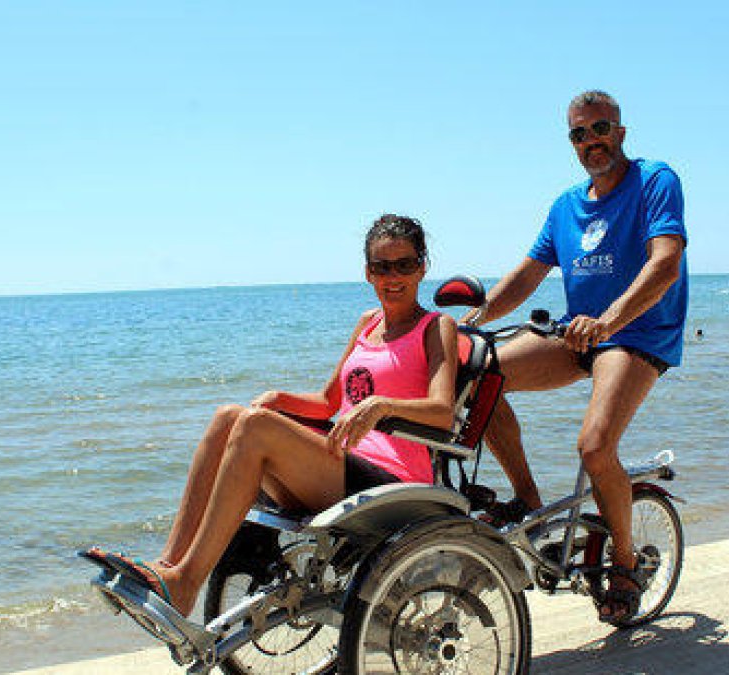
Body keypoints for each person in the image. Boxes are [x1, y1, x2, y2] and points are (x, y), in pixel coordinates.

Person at [84, 214, 460, 619]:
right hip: (341, 465)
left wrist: (383, 404)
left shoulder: (436, 327)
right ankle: (169, 568)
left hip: (392, 482)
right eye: (382, 267)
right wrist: (280, 398)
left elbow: (442, 412)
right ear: (368, 273)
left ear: (423, 266)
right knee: (229, 415)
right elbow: (329, 402)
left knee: (254, 428)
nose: (393, 276)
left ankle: (186, 582)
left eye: (404, 264)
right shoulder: (367, 324)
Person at [463, 90, 687, 624]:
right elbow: (527, 274)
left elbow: (665, 265)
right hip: (578, 337)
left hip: (635, 335)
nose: (592, 140)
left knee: (593, 445)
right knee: (477, 375)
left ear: (621, 132)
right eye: (580, 134)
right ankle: (529, 506)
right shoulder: (565, 205)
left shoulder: (655, 180)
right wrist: (471, 322)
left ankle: (626, 564)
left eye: (601, 128)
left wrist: (610, 319)